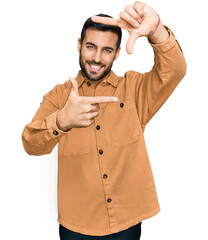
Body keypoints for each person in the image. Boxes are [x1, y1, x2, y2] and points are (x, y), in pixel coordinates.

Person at [22, 1, 186, 239]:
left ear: (117, 53)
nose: (97, 58)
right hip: (76, 225)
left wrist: (157, 29)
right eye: (90, 46)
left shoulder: (134, 90)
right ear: (79, 45)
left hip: (126, 223)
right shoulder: (59, 96)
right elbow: (30, 144)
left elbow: (175, 70)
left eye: (107, 50)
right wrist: (61, 121)